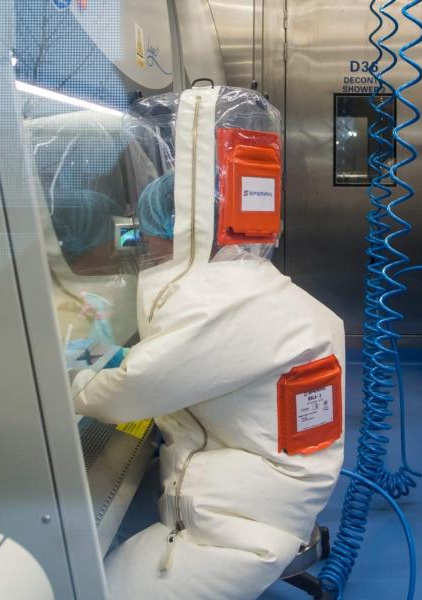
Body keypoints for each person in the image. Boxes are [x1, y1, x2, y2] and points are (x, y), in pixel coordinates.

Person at [72, 86, 346, 599]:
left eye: (151, 232)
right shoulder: (256, 286)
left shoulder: (225, 306)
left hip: (239, 529)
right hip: (264, 502)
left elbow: (131, 389)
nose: (145, 243)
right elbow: (187, 363)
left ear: (183, 230)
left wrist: (74, 377)